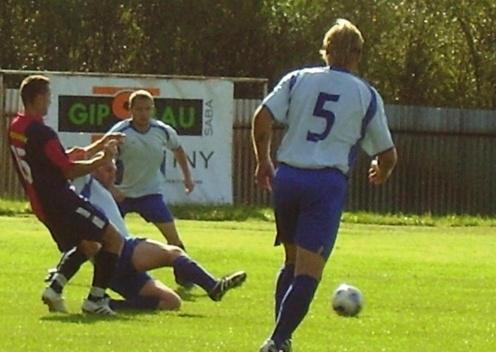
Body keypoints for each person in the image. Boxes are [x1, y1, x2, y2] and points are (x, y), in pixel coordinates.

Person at [252, 19, 397, 352]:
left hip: (287, 177)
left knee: (291, 262)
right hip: (324, 183)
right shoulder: (366, 94)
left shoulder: (298, 78)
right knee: (309, 270)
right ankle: (276, 340)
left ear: (325, 50)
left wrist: (263, 159)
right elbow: (387, 154)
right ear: (358, 54)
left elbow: (262, 115)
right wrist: (382, 171)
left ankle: (281, 338)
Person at [46, 161, 247, 312]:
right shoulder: (84, 182)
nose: (113, 175)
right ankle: (213, 287)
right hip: (123, 250)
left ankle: (109, 303)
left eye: (115, 171)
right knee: (173, 253)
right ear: (94, 168)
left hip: (110, 269)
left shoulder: (101, 191)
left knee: (171, 302)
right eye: (108, 169)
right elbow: (73, 160)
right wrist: (100, 152)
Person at [9, 74, 125, 316]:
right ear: (39, 98)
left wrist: (96, 146)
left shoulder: (16, 127)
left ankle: (55, 289)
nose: (50, 102)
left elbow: (49, 162)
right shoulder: (42, 132)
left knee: (88, 244)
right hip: (63, 201)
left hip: (42, 205)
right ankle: (95, 301)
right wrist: (102, 159)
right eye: (48, 96)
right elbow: (69, 171)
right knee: (114, 239)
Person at [103, 89, 196, 287]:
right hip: (122, 195)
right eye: (139, 109)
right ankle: (65, 271)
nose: (143, 113)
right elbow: (104, 161)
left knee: (173, 238)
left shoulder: (162, 130)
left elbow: (178, 149)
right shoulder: (120, 133)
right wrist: (111, 189)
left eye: (147, 109)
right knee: (100, 236)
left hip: (150, 194)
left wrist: (187, 177)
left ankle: (186, 276)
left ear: (153, 110)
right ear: (130, 111)